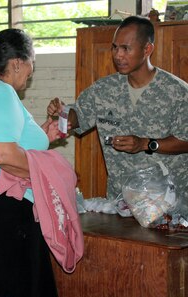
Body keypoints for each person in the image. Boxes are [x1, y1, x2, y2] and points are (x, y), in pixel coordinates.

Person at [47, 16, 188, 207]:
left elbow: (185, 140)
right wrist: (63, 113)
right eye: (115, 47)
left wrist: (145, 144)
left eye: (125, 48)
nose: (117, 55)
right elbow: (78, 116)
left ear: (147, 49)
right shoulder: (103, 89)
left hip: (168, 203)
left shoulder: (177, 92)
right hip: (122, 202)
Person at [0, 29, 60, 297]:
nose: (32, 71)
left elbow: (7, 142)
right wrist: (47, 172)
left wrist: (41, 136)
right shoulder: (3, 92)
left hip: (0, 209)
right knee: (13, 288)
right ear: (17, 62)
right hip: (5, 211)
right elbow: (3, 155)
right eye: (32, 63)